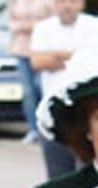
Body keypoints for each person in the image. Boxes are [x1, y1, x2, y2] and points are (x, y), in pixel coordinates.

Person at [29, 0, 98, 178]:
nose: (67, 6)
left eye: (72, 1)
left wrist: (56, 56)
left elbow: (92, 61)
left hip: (86, 111)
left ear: (82, 4)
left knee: (89, 174)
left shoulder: (93, 25)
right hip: (56, 113)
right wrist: (76, 56)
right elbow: (38, 61)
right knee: (58, 176)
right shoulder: (43, 28)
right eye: (62, 1)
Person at [7, 0, 51, 148]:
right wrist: (32, 26)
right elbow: (11, 23)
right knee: (28, 92)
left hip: (43, 50)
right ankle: (33, 129)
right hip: (21, 50)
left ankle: (46, 126)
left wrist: (28, 27)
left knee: (42, 88)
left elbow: (52, 22)